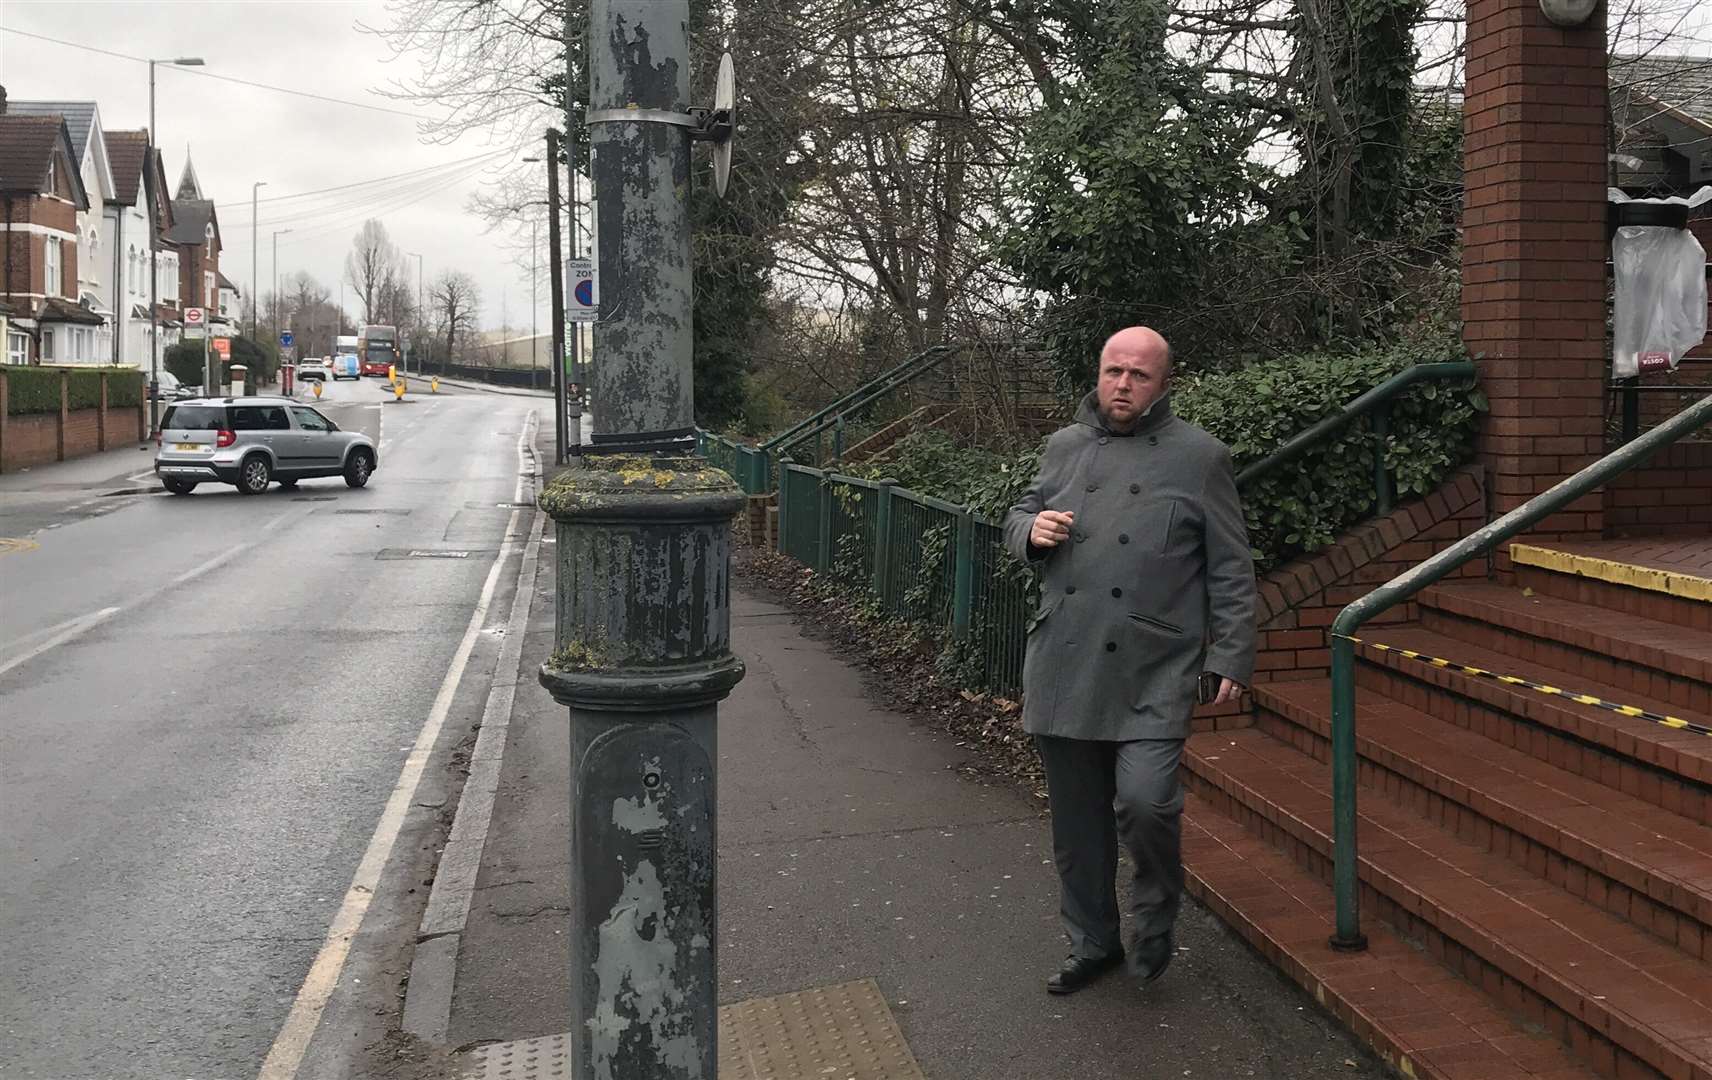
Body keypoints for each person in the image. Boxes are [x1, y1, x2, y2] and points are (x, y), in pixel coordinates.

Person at [1002, 325, 1256, 995]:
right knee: (1077, 828)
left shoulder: (1200, 458)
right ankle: (1092, 943)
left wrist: (1231, 649)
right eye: (1113, 370)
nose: (1122, 384)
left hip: (1153, 664)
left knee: (1146, 804)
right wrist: (1031, 531)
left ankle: (1154, 914)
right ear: (1098, 372)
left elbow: (1231, 566)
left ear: (1164, 383)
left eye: (1139, 375)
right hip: (1065, 658)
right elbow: (1021, 508)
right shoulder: (1065, 446)